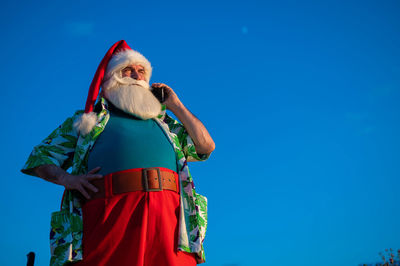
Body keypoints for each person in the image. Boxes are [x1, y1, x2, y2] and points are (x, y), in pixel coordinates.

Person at [21, 40, 215, 266]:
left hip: (169, 218)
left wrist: (176, 105)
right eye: (128, 70)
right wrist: (67, 178)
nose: (137, 75)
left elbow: (205, 146)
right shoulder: (87, 120)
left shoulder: (167, 123)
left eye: (142, 71)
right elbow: (40, 157)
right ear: (112, 77)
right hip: (110, 214)